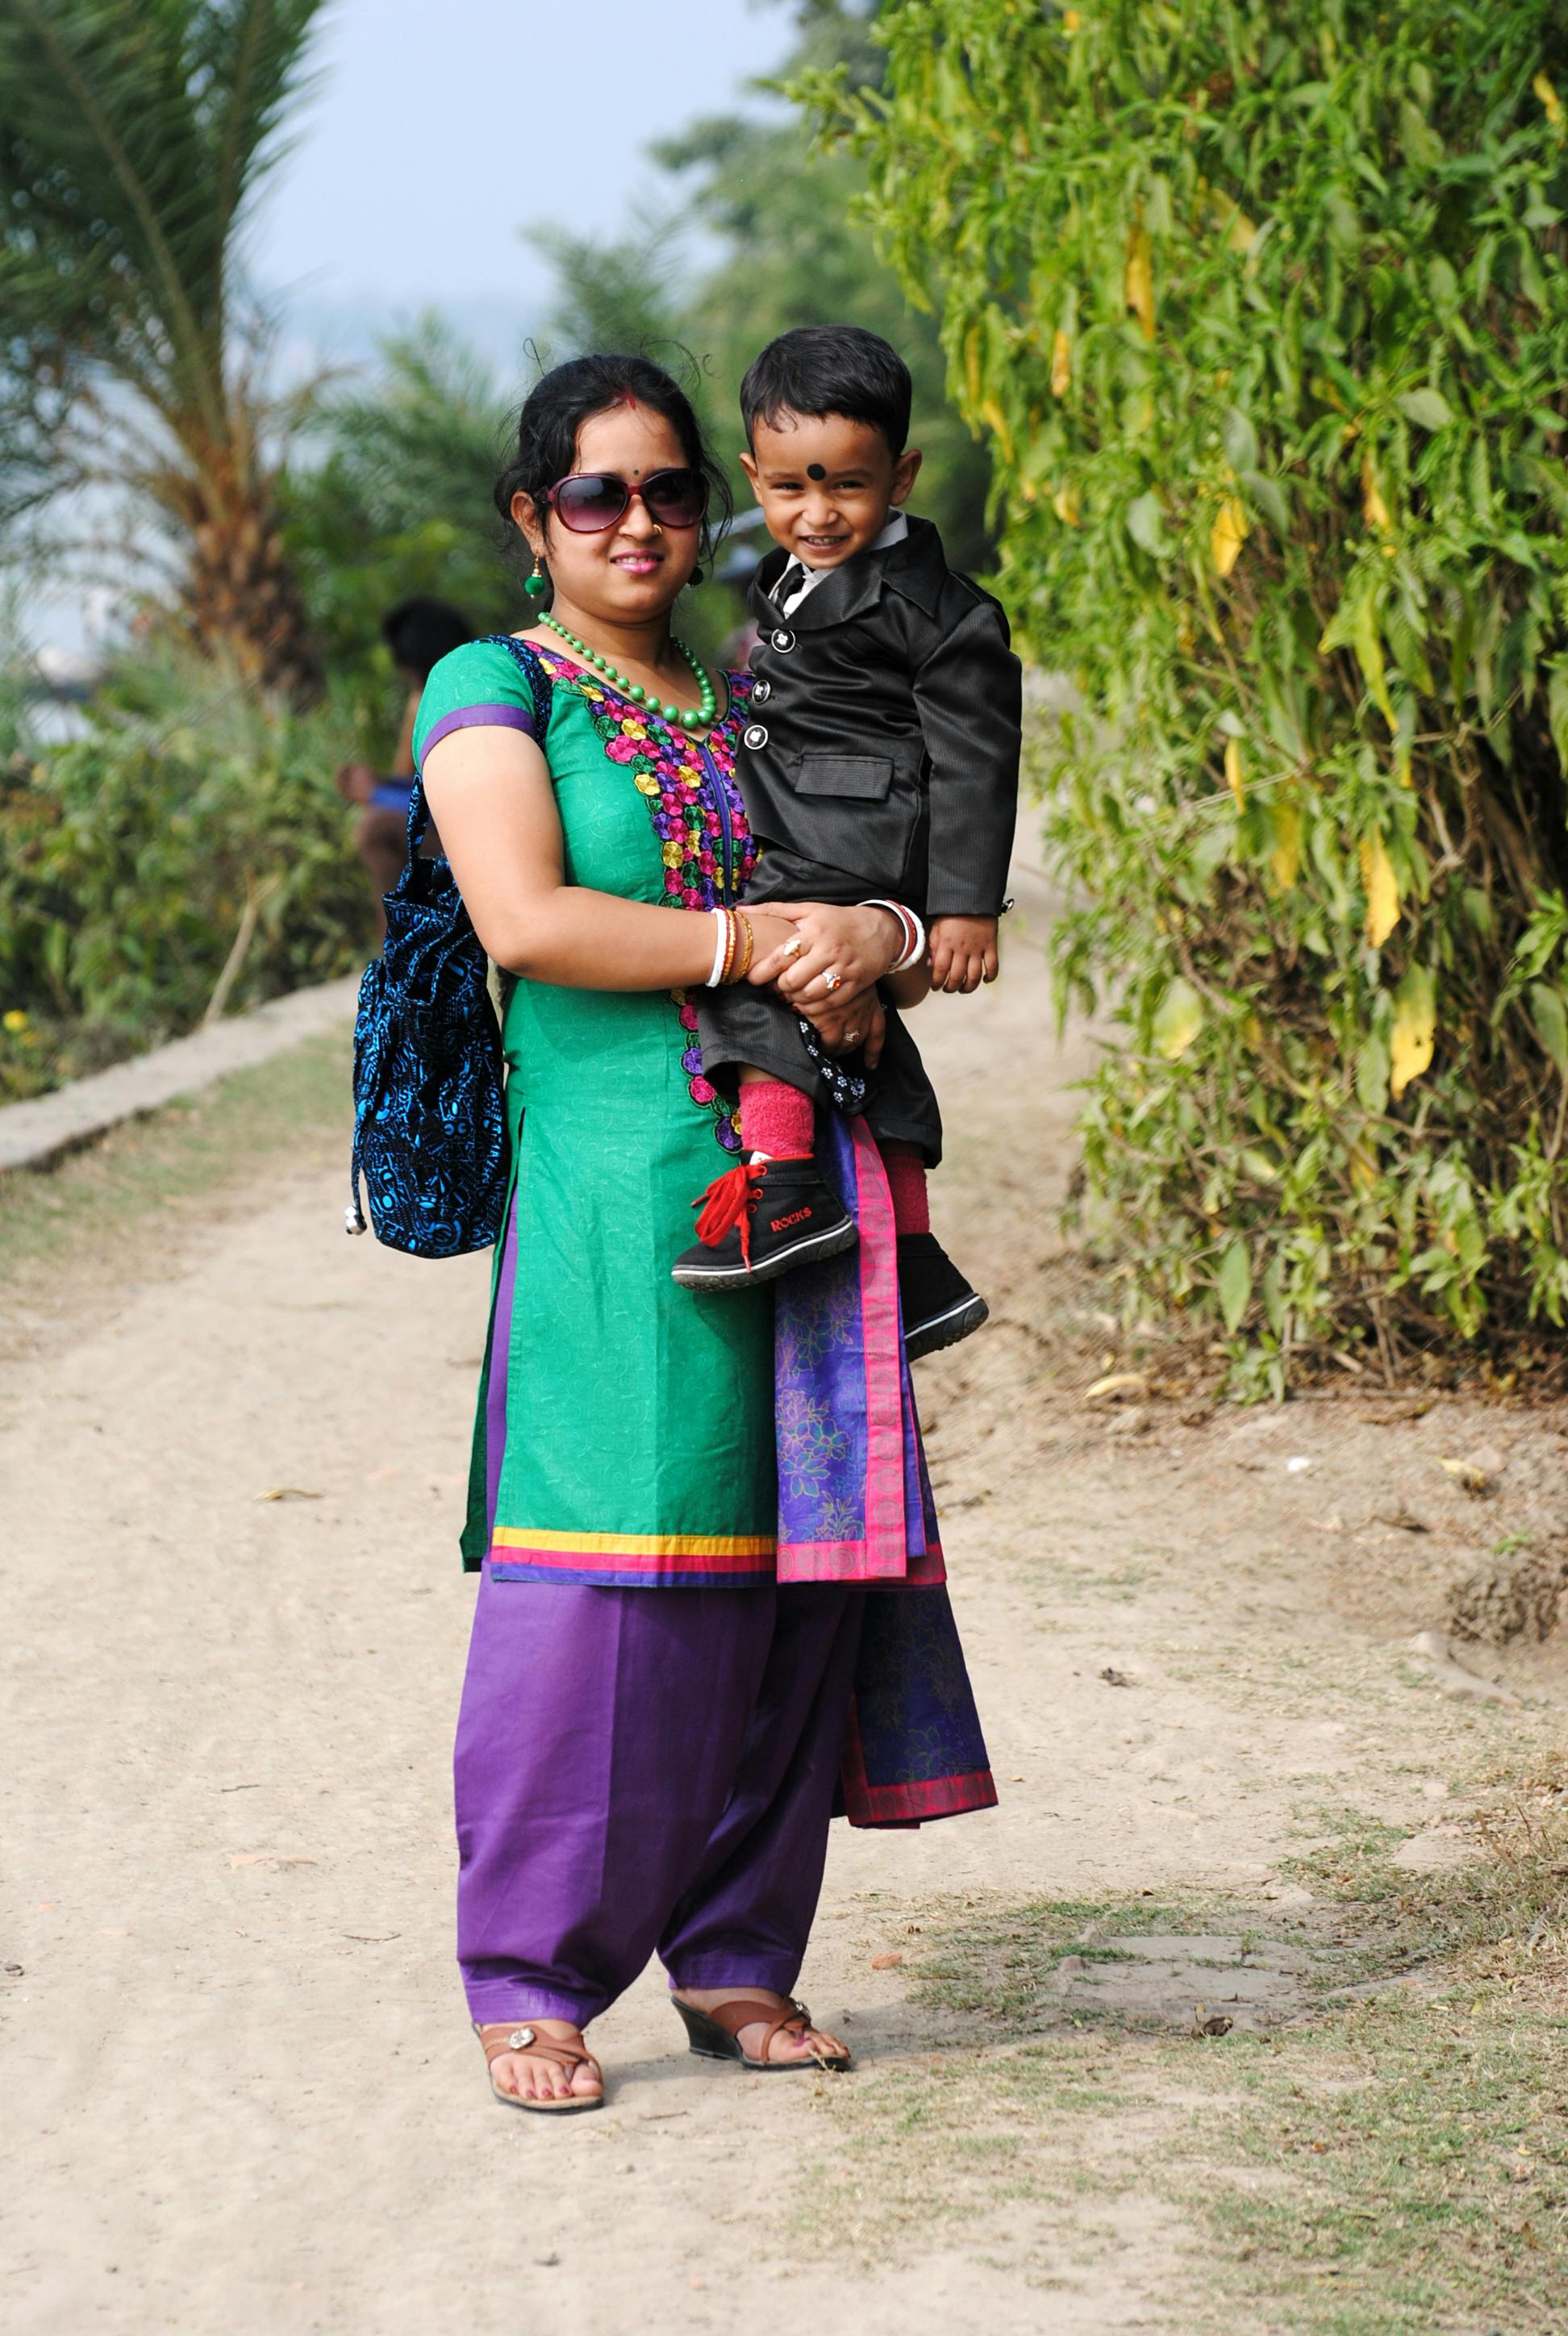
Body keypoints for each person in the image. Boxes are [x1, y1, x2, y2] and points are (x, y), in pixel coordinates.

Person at [415, 352, 995, 2114]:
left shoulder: (765, 671)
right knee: (603, 1580)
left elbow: (897, 844)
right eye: (600, 493)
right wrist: (761, 941)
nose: (644, 522)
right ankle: (533, 1971)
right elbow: (526, 915)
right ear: (536, 520)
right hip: (613, 1194)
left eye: (677, 491)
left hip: (805, 1180)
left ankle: (740, 1958)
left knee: (791, 1583)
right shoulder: (498, 684)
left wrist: (882, 931)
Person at [676, 326, 1023, 1365]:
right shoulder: (778, 576)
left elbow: (976, 761)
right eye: (789, 488)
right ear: (753, 476)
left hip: (857, 838)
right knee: (864, 1035)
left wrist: (961, 906)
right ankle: (914, 1259)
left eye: (846, 487)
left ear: (901, 475)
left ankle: (784, 1187)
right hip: (814, 832)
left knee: (757, 979)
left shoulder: (937, 609)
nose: (816, 514)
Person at [336, 597, 473, 931]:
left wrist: (374, 793)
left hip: (467, 827)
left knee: (375, 828)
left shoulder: (428, 698)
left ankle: (402, 945)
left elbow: (414, 790)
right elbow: (411, 781)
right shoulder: (477, 675)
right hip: (465, 820)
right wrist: (378, 786)